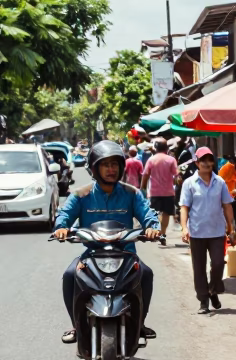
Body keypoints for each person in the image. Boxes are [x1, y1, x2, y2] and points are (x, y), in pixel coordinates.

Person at [53, 141, 161, 342]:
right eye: (105, 165)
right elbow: (65, 214)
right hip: (92, 254)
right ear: (95, 168)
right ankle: (76, 326)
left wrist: (152, 227)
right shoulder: (81, 194)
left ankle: (139, 324)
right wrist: (61, 227)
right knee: (69, 275)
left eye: (115, 164)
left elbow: (147, 213)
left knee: (146, 274)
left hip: (125, 254)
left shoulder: (132, 193)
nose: (111, 169)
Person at [180, 146, 236, 314]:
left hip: (217, 231)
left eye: (209, 159)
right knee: (199, 267)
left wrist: (231, 227)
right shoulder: (189, 183)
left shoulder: (220, 182)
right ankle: (203, 300)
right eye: (203, 160)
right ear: (197, 163)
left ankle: (213, 290)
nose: (207, 163)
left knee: (218, 263)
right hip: (197, 232)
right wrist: (184, 228)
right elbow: (184, 207)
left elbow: (227, 206)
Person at [140, 137, 178, 246]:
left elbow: (145, 175)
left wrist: (142, 187)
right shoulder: (171, 160)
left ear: (156, 148)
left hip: (154, 192)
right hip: (168, 192)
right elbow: (176, 175)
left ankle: (157, 231)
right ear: (166, 148)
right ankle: (163, 234)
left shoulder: (151, 160)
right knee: (165, 214)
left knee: (155, 213)